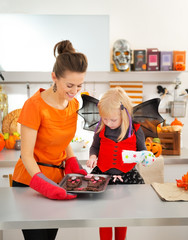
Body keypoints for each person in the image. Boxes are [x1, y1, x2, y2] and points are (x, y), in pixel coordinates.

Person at [12, 40, 88, 240]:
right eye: (69, 85)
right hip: (30, 182)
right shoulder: (34, 106)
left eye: (79, 85)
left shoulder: (73, 105)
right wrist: (43, 183)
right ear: (54, 77)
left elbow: (63, 140)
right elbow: (26, 155)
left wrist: (72, 163)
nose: (74, 91)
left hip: (58, 182)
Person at [87, 87, 147, 240]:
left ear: (124, 114)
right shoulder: (101, 128)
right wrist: (93, 156)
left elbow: (143, 151)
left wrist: (144, 158)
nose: (108, 123)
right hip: (103, 176)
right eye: (105, 118)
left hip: (127, 177)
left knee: (122, 214)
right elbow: (94, 147)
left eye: (112, 120)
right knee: (104, 215)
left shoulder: (135, 130)